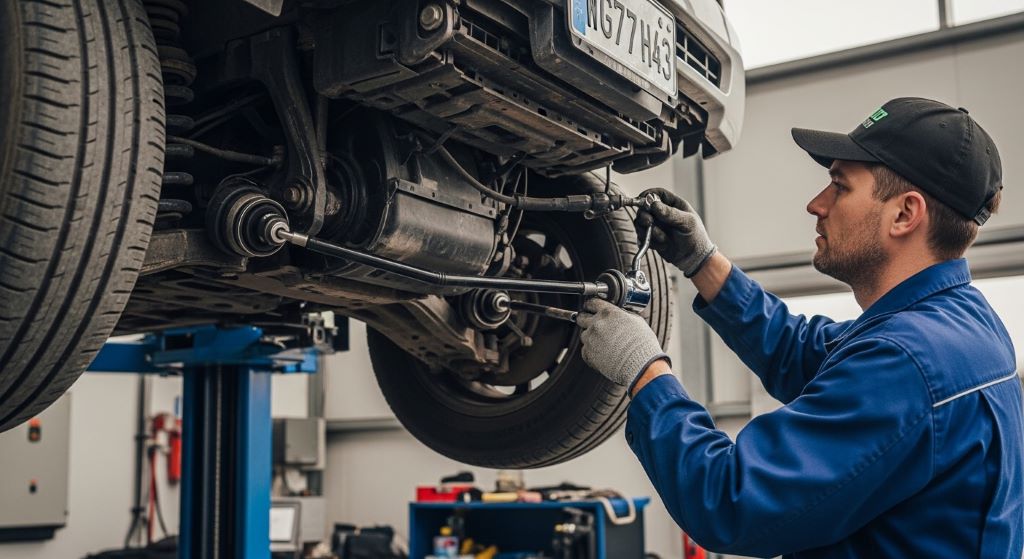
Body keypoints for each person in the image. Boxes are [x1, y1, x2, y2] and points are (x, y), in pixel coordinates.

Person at [576, 97, 1023, 558]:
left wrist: (644, 371)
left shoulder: (909, 362)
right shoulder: (956, 325)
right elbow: (805, 352)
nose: (816, 204)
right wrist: (704, 263)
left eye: (840, 186)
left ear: (905, 214)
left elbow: (730, 499)